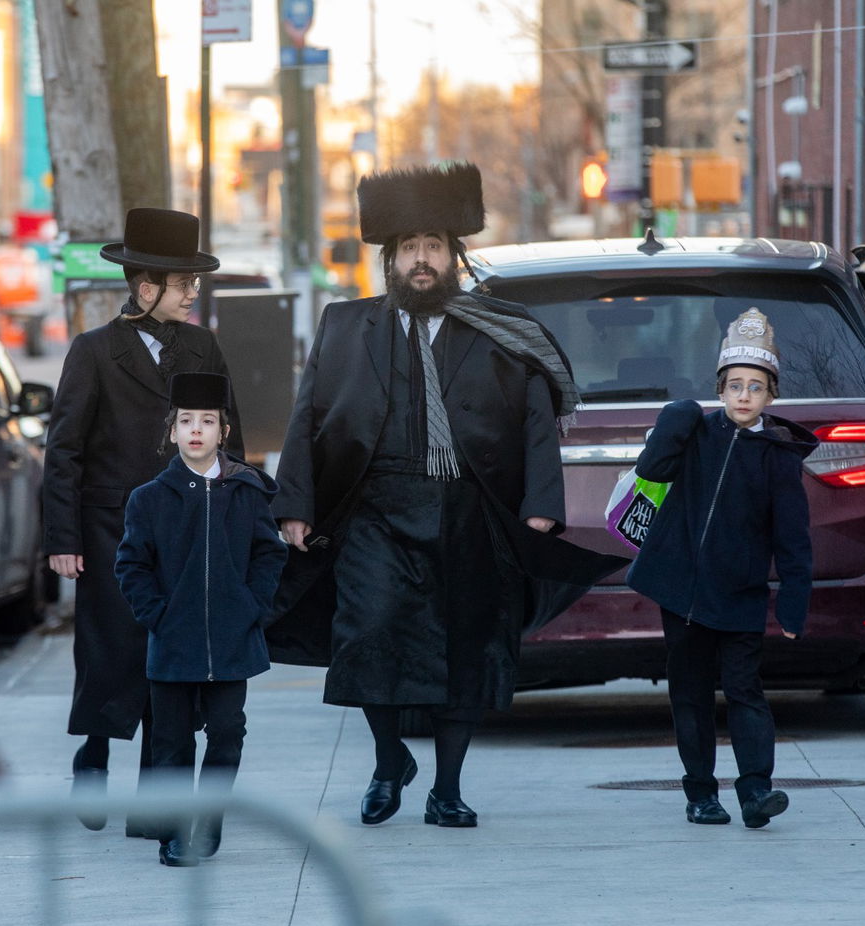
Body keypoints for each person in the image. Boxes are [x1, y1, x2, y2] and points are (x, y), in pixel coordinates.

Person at [268, 163, 625, 829]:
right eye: (410, 248)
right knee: (368, 634)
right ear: (390, 260)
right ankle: (387, 762)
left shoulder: (500, 330)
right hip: (374, 510)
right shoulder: (346, 327)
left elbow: (535, 421)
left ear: (453, 256)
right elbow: (308, 413)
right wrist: (295, 503)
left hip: (471, 510)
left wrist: (542, 505)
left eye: (434, 245)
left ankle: (448, 788)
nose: (423, 260)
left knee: (467, 648)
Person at [43, 208, 243, 835]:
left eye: (193, 284)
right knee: (110, 650)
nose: (192, 295)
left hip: (186, 527)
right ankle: (94, 756)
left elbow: (226, 435)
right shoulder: (94, 352)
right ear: (145, 285)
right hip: (110, 529)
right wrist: (62, 539)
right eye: (184, 284)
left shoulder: (203, 346)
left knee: (172, 658)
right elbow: (64, 448)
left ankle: (154, 805)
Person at [625, 307, 817, 829]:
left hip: (740, 595)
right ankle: (701, 793)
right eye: (734, 385)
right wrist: (677, 414)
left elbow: (793, 539)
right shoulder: (696, 433)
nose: (743, 396)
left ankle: (756, 790)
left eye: (755, 387)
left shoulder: (778, 457)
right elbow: (652, 468)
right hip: (683, 592)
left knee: (744, 691)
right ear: (720, 388)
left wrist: (795, 603)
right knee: (689, 693)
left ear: (770, 396)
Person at [115, 372, 286, 867]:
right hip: (172, 642)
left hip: (233, 642)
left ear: (222, 432)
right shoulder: (148, 498)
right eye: (186, 421)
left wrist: (253, 606)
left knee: (228, 732)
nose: (196, 430)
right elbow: (131, 564)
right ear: (172, 432)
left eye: (207, 422)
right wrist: (158, 615)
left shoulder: (245, 491)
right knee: (170, 743)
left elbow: (268, 554)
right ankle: (173, 832)